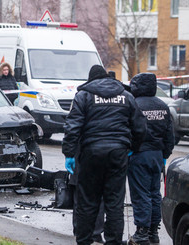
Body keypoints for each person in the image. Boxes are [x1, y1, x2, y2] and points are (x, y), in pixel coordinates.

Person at [62, 65, 146, 244]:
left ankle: (84, 240)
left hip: (91, 154)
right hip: (118, 153)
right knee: (115, 203)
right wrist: (132, 147)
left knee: (87, 202)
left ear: (91, 79)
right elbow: (140, 127)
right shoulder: (126, 96)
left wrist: (69, 153)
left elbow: (72, 127)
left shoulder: (83, 96)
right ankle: (113, 241)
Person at [127, 73, 174, 245]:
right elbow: (170, 134)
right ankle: (154, 232)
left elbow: (130, 131)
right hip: (157, 156)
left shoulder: (134, 105)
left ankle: (141, 233)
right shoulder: (163, 106)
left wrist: (130, 150)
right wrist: (164, 155)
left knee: (141, 194)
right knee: (155, 194)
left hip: (139, 155)